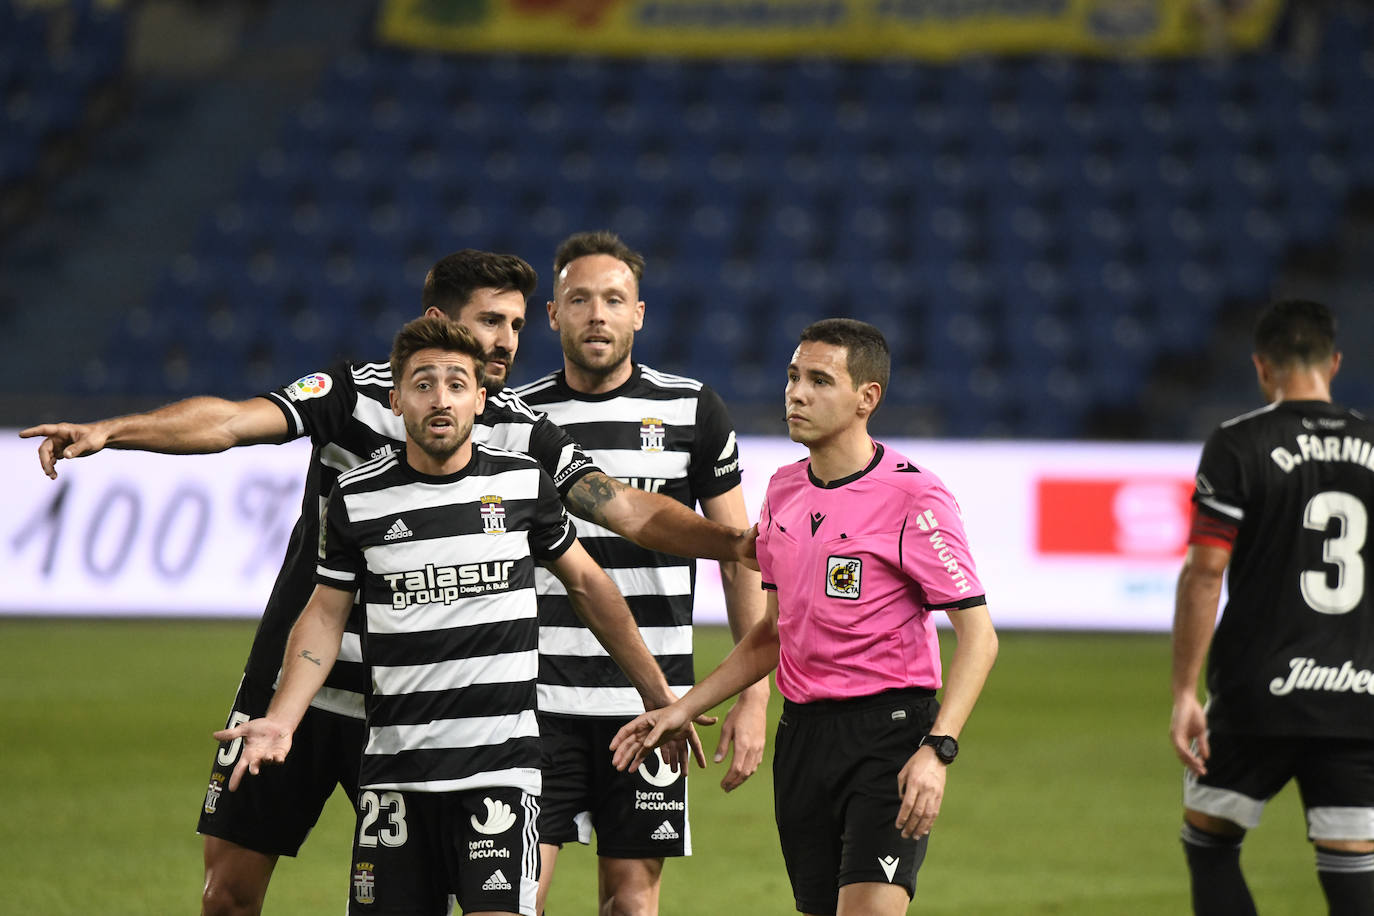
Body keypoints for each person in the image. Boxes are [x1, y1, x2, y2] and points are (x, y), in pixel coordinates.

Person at [18, 249, 754, 916]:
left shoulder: (519, 429)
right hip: (298, 690)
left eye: (516, 326)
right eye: (489, 322)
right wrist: (117, 431)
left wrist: (734, 542)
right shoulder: (352, 394)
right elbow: (234, 423)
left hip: (410, 711)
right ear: (436, 322)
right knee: (229, 894)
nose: (505, 342)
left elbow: (623, 509)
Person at [214, 316, 698, 916]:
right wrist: (283, 721)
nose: (440, 399)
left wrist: (659, 695)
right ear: (396, 399)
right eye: (423, 384)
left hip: (498, 772)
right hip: (394, 777)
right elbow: (323, 618)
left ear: (481, 397)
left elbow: (591, 588)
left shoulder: (523, 484)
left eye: (456, 384)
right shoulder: (358, 500)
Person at [610, 318, 999, 916]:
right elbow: (773, 633)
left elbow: (979, 638)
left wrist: (937, 749)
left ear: (867, 398)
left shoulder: (915, 497)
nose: (796, 393)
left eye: (820, 380)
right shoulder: (784, 490)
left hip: (889, 734)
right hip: (804, 739)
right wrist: (683, 708)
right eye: (794, 376)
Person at [514, 231, 769, 916]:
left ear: (639, 314)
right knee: (513, 898)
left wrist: (752, 696)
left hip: (656, 702)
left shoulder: (693, 411)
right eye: (580, 300)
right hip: (538, 699)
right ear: (554, 316)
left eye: (613, 300)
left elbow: (739, 556)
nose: (597, 314)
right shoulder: (514, 416)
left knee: (631, 903)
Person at [1170, 299, 1374, 916]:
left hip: (1257, 691)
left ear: (1262, 367)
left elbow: (1205, 574)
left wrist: (1184, 690)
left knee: (1209, 842)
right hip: (1358, 692)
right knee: (1351, 864)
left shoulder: (1239, 444)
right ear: (1334, 363)